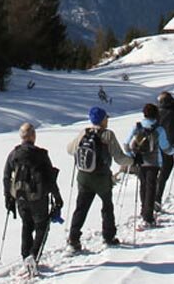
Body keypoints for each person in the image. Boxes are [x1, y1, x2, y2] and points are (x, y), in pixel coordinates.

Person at [65, 107, 133, 253]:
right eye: (106, 118)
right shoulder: (108, 135)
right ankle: (108, 236)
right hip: (101, 177)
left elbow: (70, 149)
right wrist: (132, 161)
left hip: (83, 176)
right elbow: (119, 157)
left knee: (81, 208)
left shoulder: (84, 132)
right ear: (102, 120)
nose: (107, 120)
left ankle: (73, 239)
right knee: (107, 206)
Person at [3, 123, 64, 272]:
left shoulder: (14, 154)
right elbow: (51, 179)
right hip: (38, 198)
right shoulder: (41, 155)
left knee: (27, 225)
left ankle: (25, 257)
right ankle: (33, 256)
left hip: (21, 198)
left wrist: (8, 198)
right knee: (42, 227)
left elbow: (6, 177)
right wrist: (57, 198)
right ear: (33, 137)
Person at [125, 104, 174, 228]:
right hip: (154, 162)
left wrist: (132, 155)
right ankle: (148, 216)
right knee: (151, 187)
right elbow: (165, 147)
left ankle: (143, 211)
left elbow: (126, 144)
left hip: (140, 161)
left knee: (143, 185)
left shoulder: (137, 127)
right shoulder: (159, 129)